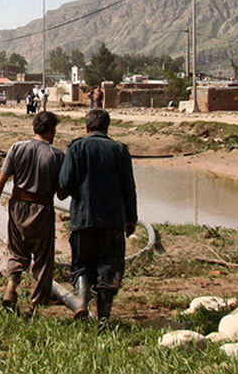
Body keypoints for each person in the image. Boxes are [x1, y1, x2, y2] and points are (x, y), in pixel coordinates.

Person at [57, 108, 137, 320]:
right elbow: (129, 188)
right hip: (113, 221)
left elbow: (63, 186)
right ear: (107, 127)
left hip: (83, 219)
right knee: (109, 267)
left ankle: (81, 300)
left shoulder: (76, 148)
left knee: (82, 263)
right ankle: (104, 318)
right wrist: (131, 219)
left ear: (87, 127)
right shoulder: (120, 151)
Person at [0, 110, 65, 312]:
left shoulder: (17, 148)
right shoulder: (56, 155)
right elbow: (62, 194)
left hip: (17, 206)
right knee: (43, 258)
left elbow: (1, 181)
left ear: (34, 128)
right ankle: (35, 305)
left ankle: (11, 286)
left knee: (17, 251)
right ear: (52, 130)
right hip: (42, 208)